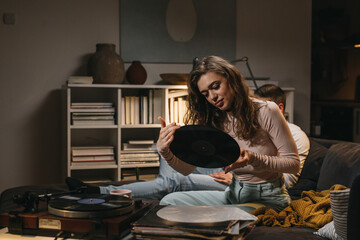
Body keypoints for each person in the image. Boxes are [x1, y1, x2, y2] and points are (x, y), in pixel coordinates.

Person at [157, 56, 300, 212]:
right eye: (205, 94)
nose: (212, 96)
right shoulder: (215, 119)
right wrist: (165, 151)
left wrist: (253, 159)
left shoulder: (267, 110)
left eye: (216, 86)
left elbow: (293, 164)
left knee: (233, 216)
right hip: (233, 193)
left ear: (232, 80)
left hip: (268, 197)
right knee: (169, 201)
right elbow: (188, 169)